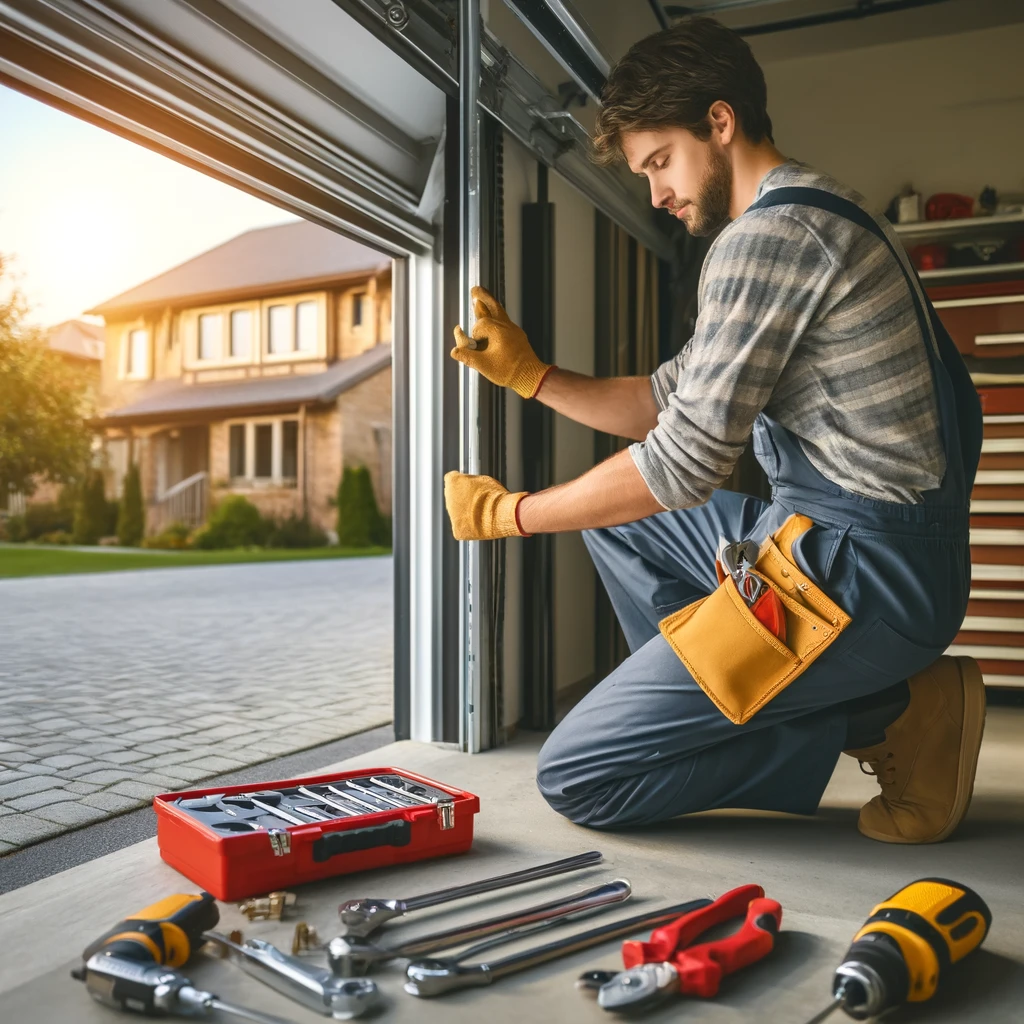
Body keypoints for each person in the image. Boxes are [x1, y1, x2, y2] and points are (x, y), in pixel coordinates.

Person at [442, 16, 984, 843]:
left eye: (660, 161)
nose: (656, 193)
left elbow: (681, 466)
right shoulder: (813, 212)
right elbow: (672, 399)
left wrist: (508, 514)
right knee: (624, 535)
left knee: (579, 776)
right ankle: (785, 692)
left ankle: (884, 716)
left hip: (870, 570)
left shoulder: (765, 239)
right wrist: (531, 376)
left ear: (720, 123)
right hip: (849, 541)